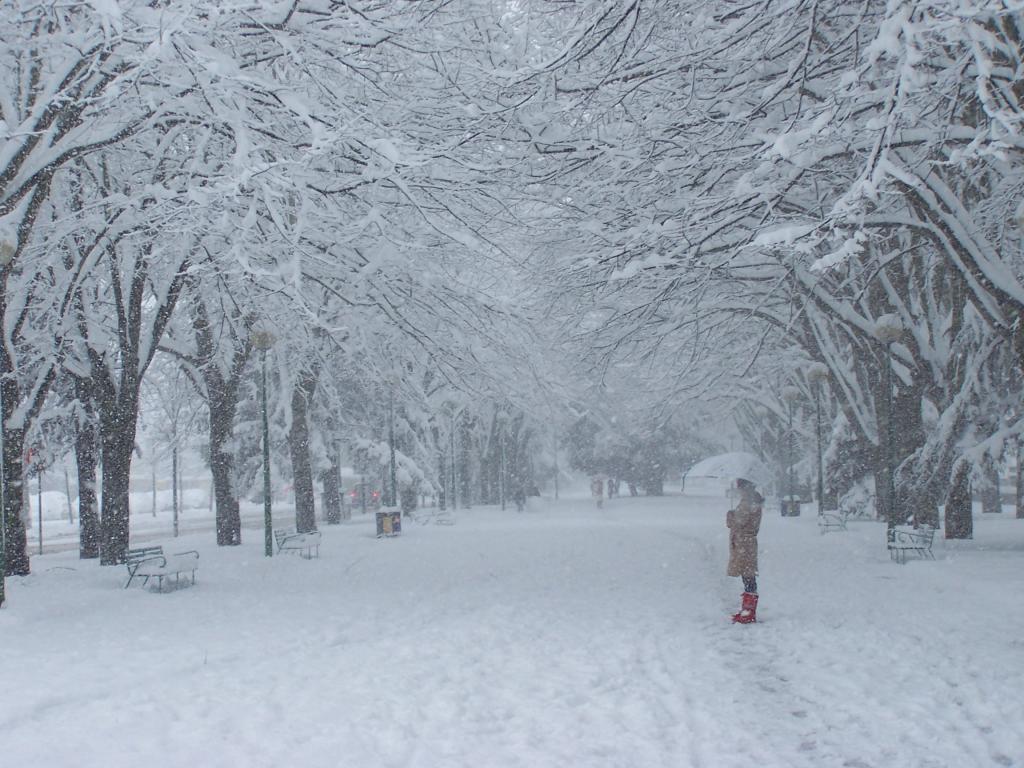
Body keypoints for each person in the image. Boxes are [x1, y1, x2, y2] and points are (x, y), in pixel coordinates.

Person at [727, 476, 763, 624]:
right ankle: (747, 609)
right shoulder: (750, 500)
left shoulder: (748, 502)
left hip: (745, 544)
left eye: (740, 487)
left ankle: (748, 611)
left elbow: (740, 521)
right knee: (747, 575)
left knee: (748, 575)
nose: (738, 490)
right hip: (745, 543)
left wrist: (731, 516)